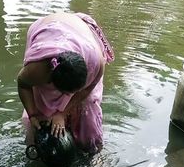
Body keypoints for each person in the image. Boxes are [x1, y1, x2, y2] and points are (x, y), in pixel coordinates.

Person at [17, 12, 114, 154]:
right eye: (65, 93)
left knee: (87, 104)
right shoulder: (38, 69)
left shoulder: (95, 62)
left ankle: (91, 151)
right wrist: (32, 115)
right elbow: (23, 84)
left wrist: (62, 113)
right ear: (50, 81)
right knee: (42, 109)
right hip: (47, 31)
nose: (68, 96)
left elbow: (87, 91)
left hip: (80, 35)